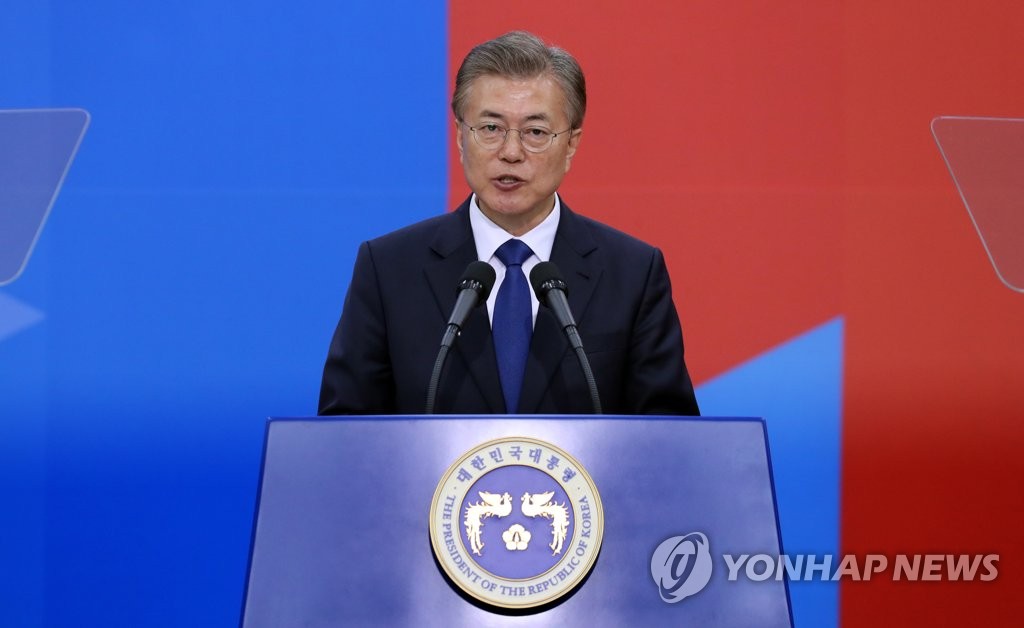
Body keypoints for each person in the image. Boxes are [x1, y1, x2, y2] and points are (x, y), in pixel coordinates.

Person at [318, 31, 699, 416]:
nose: (511, 152)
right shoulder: (388, 268)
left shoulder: (632, 274)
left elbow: (669, 434)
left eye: (535, 132)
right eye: (490, 128)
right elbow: (345, 430)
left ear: (571, 144)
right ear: (460, 136)